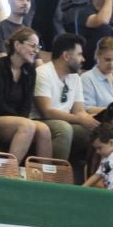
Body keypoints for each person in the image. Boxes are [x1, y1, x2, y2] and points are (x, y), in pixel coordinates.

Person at [0, 25, 56, 161]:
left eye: (38, 47)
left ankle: (44, 171)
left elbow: (27, 103)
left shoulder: (30, 71)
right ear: (17, 45)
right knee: (27, 125)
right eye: (32, 45)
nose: (36, 51)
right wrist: (19, 119)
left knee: (44, 129)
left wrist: (20, 118)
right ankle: (10, 170)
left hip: (16, 120)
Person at [35, 31, 96, 170]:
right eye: (79, 54)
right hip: (41, 121)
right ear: (67, 56)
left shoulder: (75, 77)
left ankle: (87, 178)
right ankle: (56, 176)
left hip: (66, 121)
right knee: (64, 129)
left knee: (95, 132)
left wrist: (93, 122)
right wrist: (80, 119)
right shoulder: (43, 73)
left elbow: (79, 111)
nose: (83, 59)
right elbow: (46, 111)